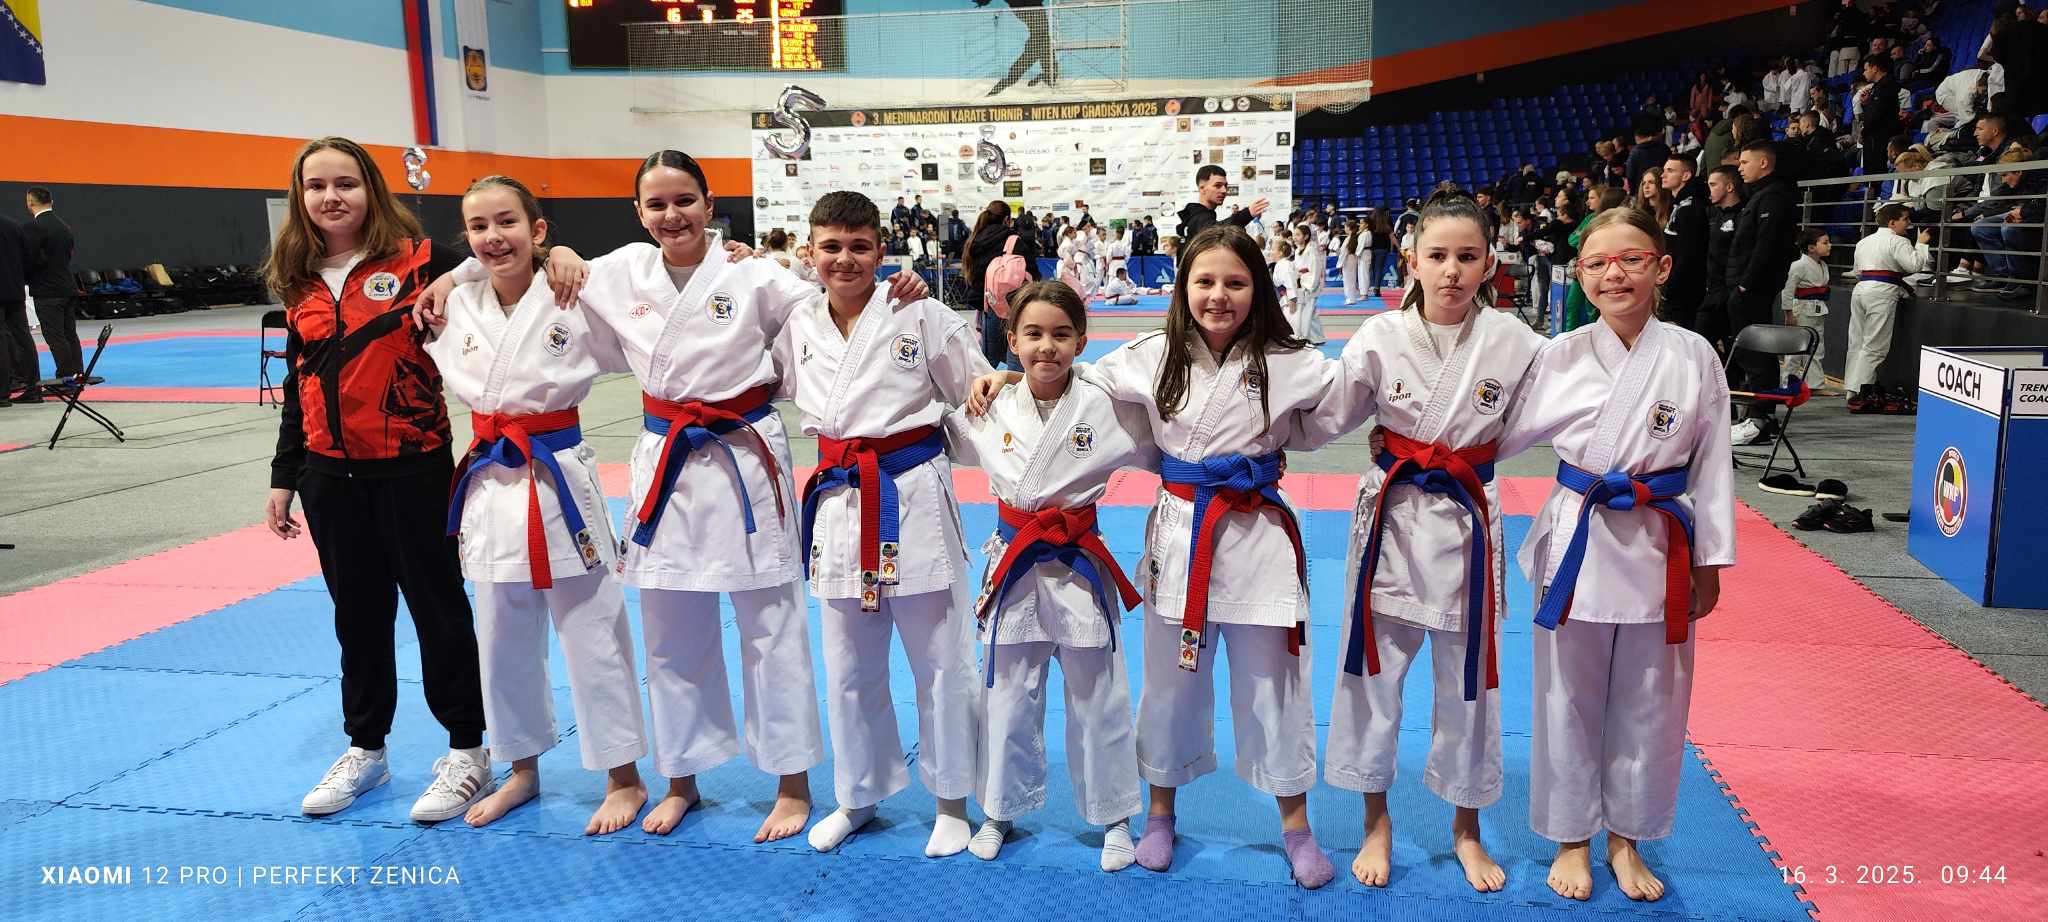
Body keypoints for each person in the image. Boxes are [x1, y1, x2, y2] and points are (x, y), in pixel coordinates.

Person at [417, 151, 906, 841]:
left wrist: (900, 285)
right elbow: (514, 271)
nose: (672, 215)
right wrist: (463, 272)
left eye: (684, 201)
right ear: (638, 212)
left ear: (709, 204)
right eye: (657, 204)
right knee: (670, 633)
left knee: (772, 627)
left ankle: (791, 784)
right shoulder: (619, 271)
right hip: (666, 464)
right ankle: (682, 781)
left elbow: (836, 299)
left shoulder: (754, 274)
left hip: (743, 457)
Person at [974, 224, 1341, 889]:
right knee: (1171, 686)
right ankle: (1161, 814)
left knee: (1277, 685)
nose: (1219, 295)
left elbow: (1337, 410)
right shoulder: (1149, 355)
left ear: (1257, 288)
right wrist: (1010, 377)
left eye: (1235, 282)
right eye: (1205, 281)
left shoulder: (1291, 358)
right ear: (1183, 288)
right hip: (1182, 533)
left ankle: (1296, 827)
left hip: (1258, 533)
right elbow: (1072, 378)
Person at [1296, 189, 1546, 893]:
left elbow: (1555, 410)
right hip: (1392, 521)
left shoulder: (1516, 342)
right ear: (1411, 260)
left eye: (1468, 256)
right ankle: (1376, 821)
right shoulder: (1380, 336)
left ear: (1490, 262)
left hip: (1468, 517)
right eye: (1437, 255)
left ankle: (1466, 829)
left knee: (1471, 682)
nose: (1452, 271)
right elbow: (1324, 415)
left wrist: (1468, 456)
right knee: (1372, 673)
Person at [261, 137, 505, 823]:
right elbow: (300, 385)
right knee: (358, 619)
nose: (331, 197)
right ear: (299, 197)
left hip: (413, 469)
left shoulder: (422, 260)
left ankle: (468, 750)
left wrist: (466, 278)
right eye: (316, 186)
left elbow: (508, 259)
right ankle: (366, 748)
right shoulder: (299, 278)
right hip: (328, 477)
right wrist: (285, 475)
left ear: (371, 188)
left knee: (438, 611)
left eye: (345, 183)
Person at [1499, 205, 1734, 904]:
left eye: (1632, 259)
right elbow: (1497, 432)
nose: (1614, 275)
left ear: (1662, 267)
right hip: (1578, 539)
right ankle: (1572, 836)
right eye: (1598, 263)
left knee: (1653, 699)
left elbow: (1714, 464)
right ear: (1580, 274)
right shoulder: (1562, 354)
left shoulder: (1694, 356)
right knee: (1566, 697)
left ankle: (1627, 838)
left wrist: (1709, 561)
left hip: (1661, 543)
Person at [420, 175, 649, 835]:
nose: (494, 237)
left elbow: (644, 278)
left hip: (559, 481)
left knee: (594, 632)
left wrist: (565, 258)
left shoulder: (573, 293)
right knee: (500, 638)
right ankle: (520, 768)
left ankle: (624, 777)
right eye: (479, 226)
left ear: (538, 229)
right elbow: (458, 279)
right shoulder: (452, 302)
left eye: (508, 222)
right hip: (491, 485)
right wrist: (454, 275)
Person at [779, 191, 994, 857]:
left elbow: (977, 390)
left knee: (942, 660)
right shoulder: (796, 320)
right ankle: (858, 795)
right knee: (847, 665)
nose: (845, 259)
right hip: (841, 503)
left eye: (859, 246)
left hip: (913, 495)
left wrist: (987, 409)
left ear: (881, 249)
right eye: (831, 246)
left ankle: (952, 801)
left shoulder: (920, 312)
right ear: (809, 251)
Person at [948, 280, 1153, 871]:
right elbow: (932, 436)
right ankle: (998, 809)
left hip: (1079, 564)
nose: (1047, 346)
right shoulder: (989, 406)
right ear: (1011, 340)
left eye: (1062, 335)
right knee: (1007, 695)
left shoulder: (1106, 405)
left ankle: (1116, 817)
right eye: (1033, 334)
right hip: (1014, 562)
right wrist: (998, 381)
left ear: (1082, 342)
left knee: (1100, 695)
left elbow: (1170, 439)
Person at [1727, 141, 1798, 447]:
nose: (1740, 168)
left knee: (1758, 353)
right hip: (1744, 286)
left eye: (1745, 162)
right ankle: (1753, 415)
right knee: (1746, 353)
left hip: (1754, 288)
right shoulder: (1758, 196)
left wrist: (1746, 284)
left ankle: (1761, 419)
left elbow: (1766, 247)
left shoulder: (1774, 197)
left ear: (1764, 163)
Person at [1846, 207, 1933, 412]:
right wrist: (1921, 244)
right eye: (1905, 219)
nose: (1908, 223)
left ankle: (1852, 390)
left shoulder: (1864, 242)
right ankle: (1859, 393)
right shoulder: (1898, 241)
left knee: (1856, 342)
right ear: (1892, 223)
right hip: (1881, 292)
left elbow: (1857, 271)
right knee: (1875, 346)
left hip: (1861, 289)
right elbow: (1914, 265)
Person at [964, 200, 1042, 369]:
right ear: (1007, 219)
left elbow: (973, 277)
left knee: (987, 362)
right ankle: (1017, 386)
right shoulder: (1013, 240)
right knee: (1016, 355)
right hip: (1014, 305)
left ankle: (984, 386)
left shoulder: (974, 239)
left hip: (988, 305)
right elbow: (1033, 273)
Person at [21, 187, 80, 388]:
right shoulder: (64, 226)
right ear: (51, 202)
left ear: (30, 202)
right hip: (66, 285)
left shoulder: (34, 227)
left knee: (55, 335)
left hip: (47, 290)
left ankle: (65, 376)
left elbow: (30, 258)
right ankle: (78, 372)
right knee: (69, 333)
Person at [1562, 186, 1625, 331]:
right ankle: (1570, 337)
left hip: (1602, 267)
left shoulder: (1617, 220)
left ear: (1603, 199)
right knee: (1572, 304)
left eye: (1592, 198)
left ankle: (1599, 336)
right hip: (1583, 267)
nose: (1588, 202)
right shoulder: (1590, 218)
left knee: (1594, 308)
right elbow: (1572, 239)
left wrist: (1588, 241)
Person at [1661, 154, 1710, 331]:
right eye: (1664, 170)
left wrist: (1670, 287)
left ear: (1686, 175)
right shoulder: (1680, 204)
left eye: (1670, 170)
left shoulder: (1690, 208)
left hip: (1685, 290)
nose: (1663, 175)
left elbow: (1688, 254)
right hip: (1677, 285)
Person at [981, 0, 1056, 96]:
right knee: (1041, 40)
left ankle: (1048, 75)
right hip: (1030, 7)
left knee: (1041, 40)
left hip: (1023, 7)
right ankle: (1013, 78)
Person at [1176, 164, 1269, 239]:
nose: (1224, 190)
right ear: (1202, 189)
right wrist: (1246, 214)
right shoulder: (1198, 218)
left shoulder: (1198, 215)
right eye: (1217, 185)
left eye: (1225, 186)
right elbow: (1216, 233)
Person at [1859, 55, 1906, 177]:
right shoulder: (1877, 87)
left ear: (1875, 69)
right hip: (1874, 139)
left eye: (1866, 69)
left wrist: (1864, 131)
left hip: (1880, 140)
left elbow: (1877, 114)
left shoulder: (1887, 86)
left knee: (1877, 176)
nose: (1864, 73)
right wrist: (1866, 103)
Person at [0, 213, 28, 406]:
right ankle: (33, 387)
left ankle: (2, 392)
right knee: (23, 337)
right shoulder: (14, 225)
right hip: (15, 289)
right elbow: (27, 258)